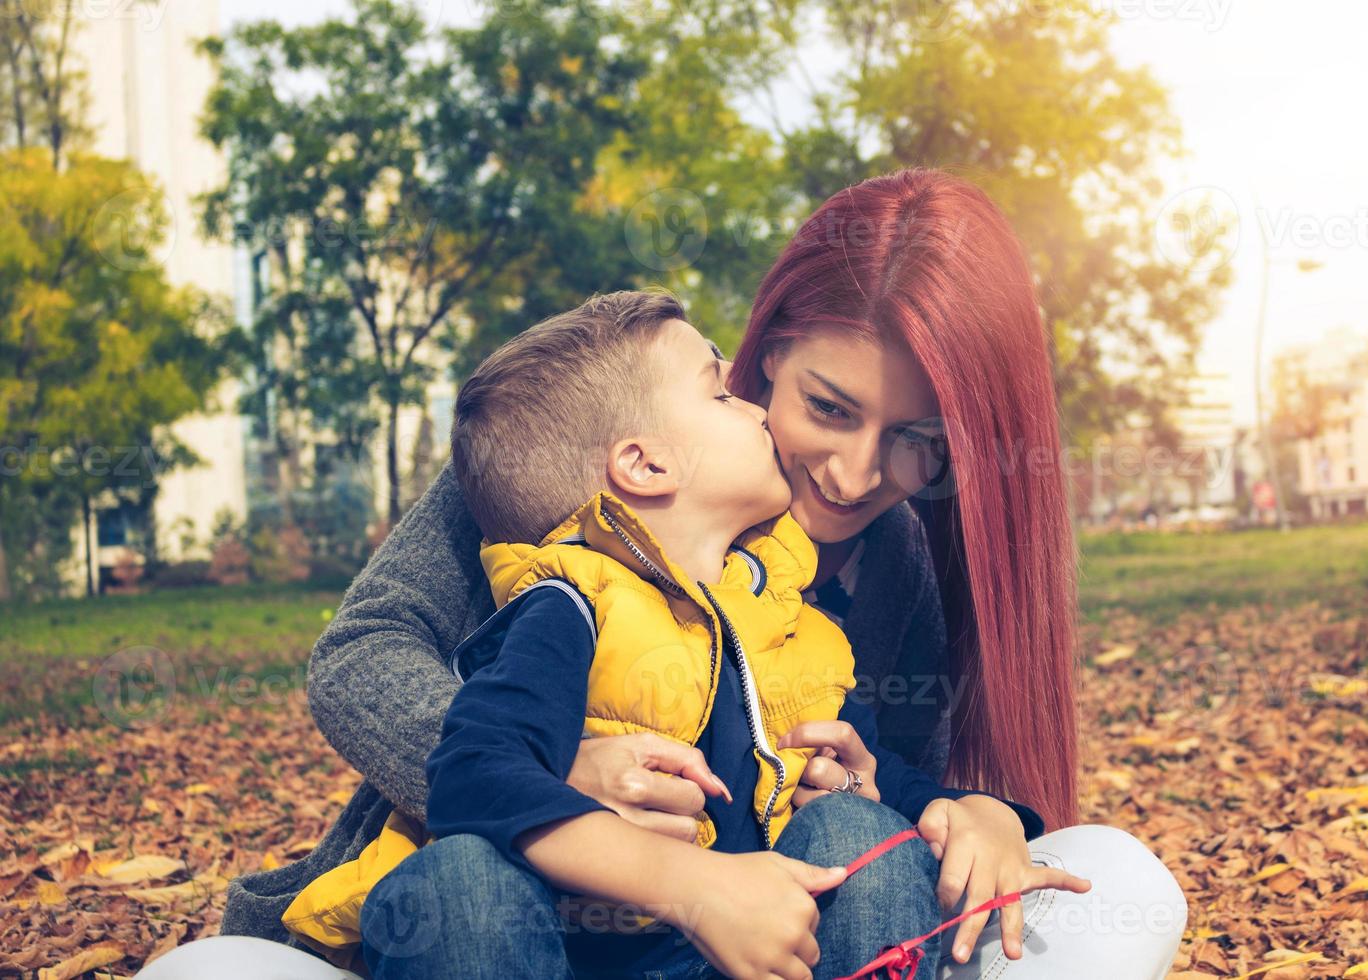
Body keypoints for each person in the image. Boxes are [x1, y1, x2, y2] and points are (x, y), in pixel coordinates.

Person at [142, 169, 1188, 980]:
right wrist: (560, 773)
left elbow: (877, 788)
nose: (858, 471)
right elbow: (363, 656)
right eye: (828, 406)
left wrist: (979, 811)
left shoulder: (894, 561)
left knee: (1120, 877)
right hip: (507, 907)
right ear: (763, 351)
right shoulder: (570, 461)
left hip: (752, 936)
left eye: (918, 439)